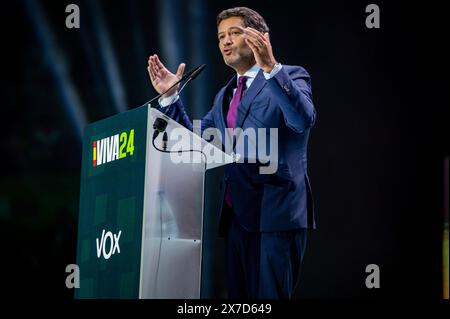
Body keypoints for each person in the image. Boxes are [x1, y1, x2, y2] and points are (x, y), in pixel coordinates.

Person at [147, 7, 316, 299]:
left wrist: (271, 68)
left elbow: (302, 119)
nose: (225, 41)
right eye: (221, 36)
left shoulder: (291, 75)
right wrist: (170, 97)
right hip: (237, 218)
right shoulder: (224, 95)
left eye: (234, 33)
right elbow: (196, 144)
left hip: (275, 215)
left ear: (259, 37)